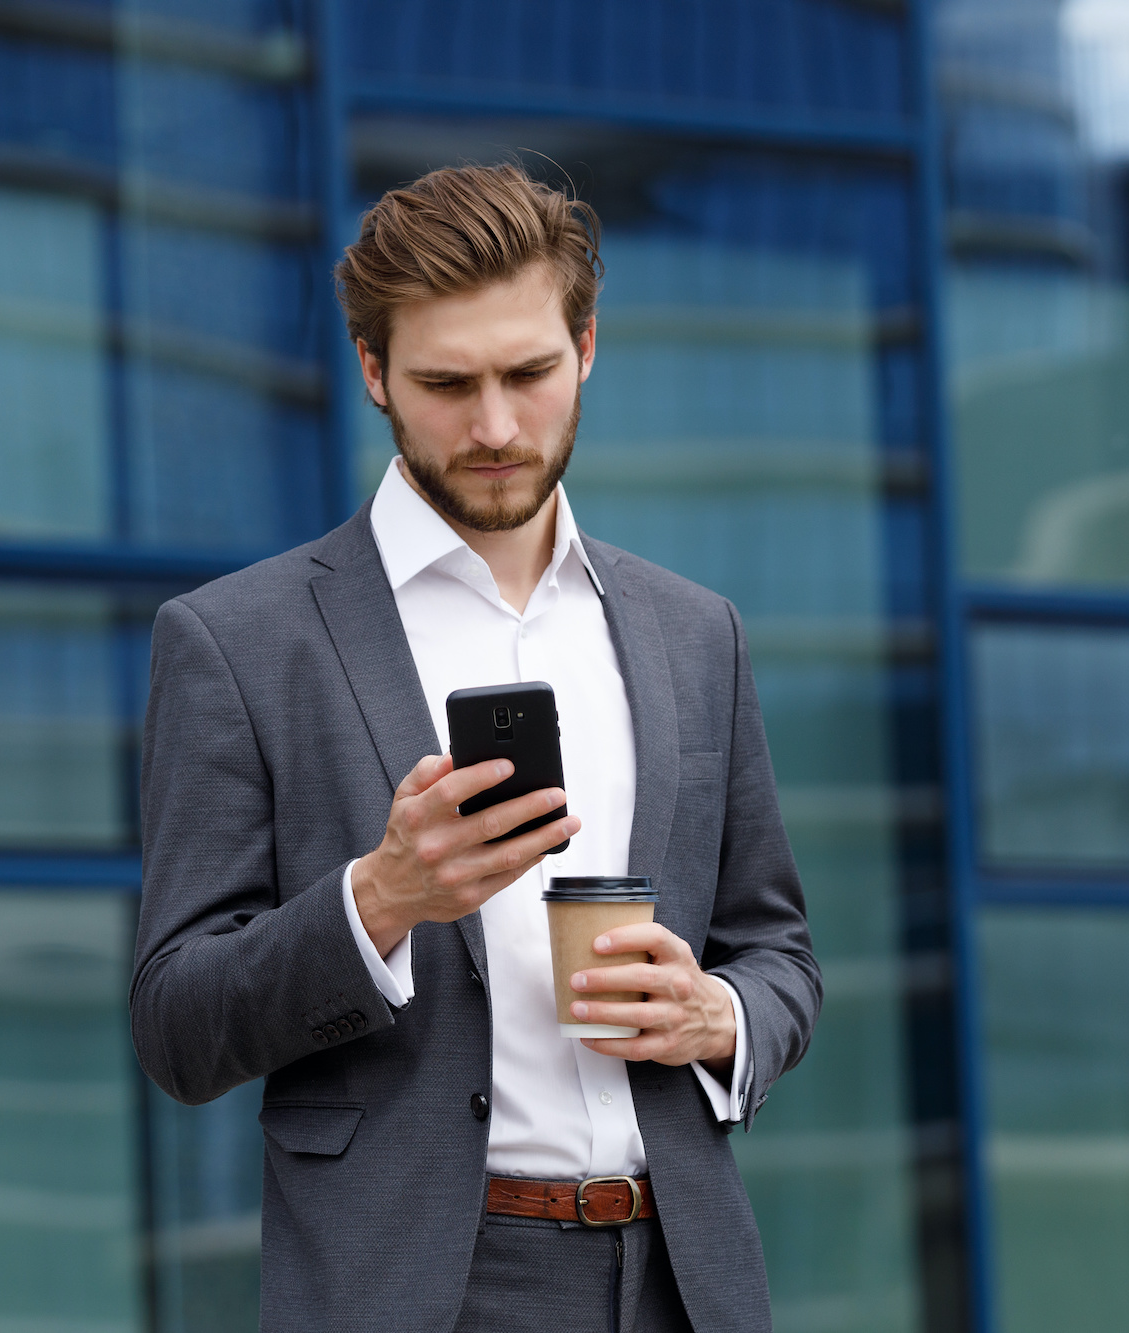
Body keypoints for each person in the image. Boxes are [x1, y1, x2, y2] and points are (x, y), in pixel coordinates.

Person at [131, 163, 821, 1332]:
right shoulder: (238, 642)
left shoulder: (696, 633)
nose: (495, 427)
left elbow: (779, 952)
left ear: (587, 346)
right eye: (447, 384)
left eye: (528, 373)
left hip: (680, 1281)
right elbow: (179, 1025)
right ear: (372, 374)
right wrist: (379, 898)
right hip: (419, 1291)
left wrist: (721, 1017)